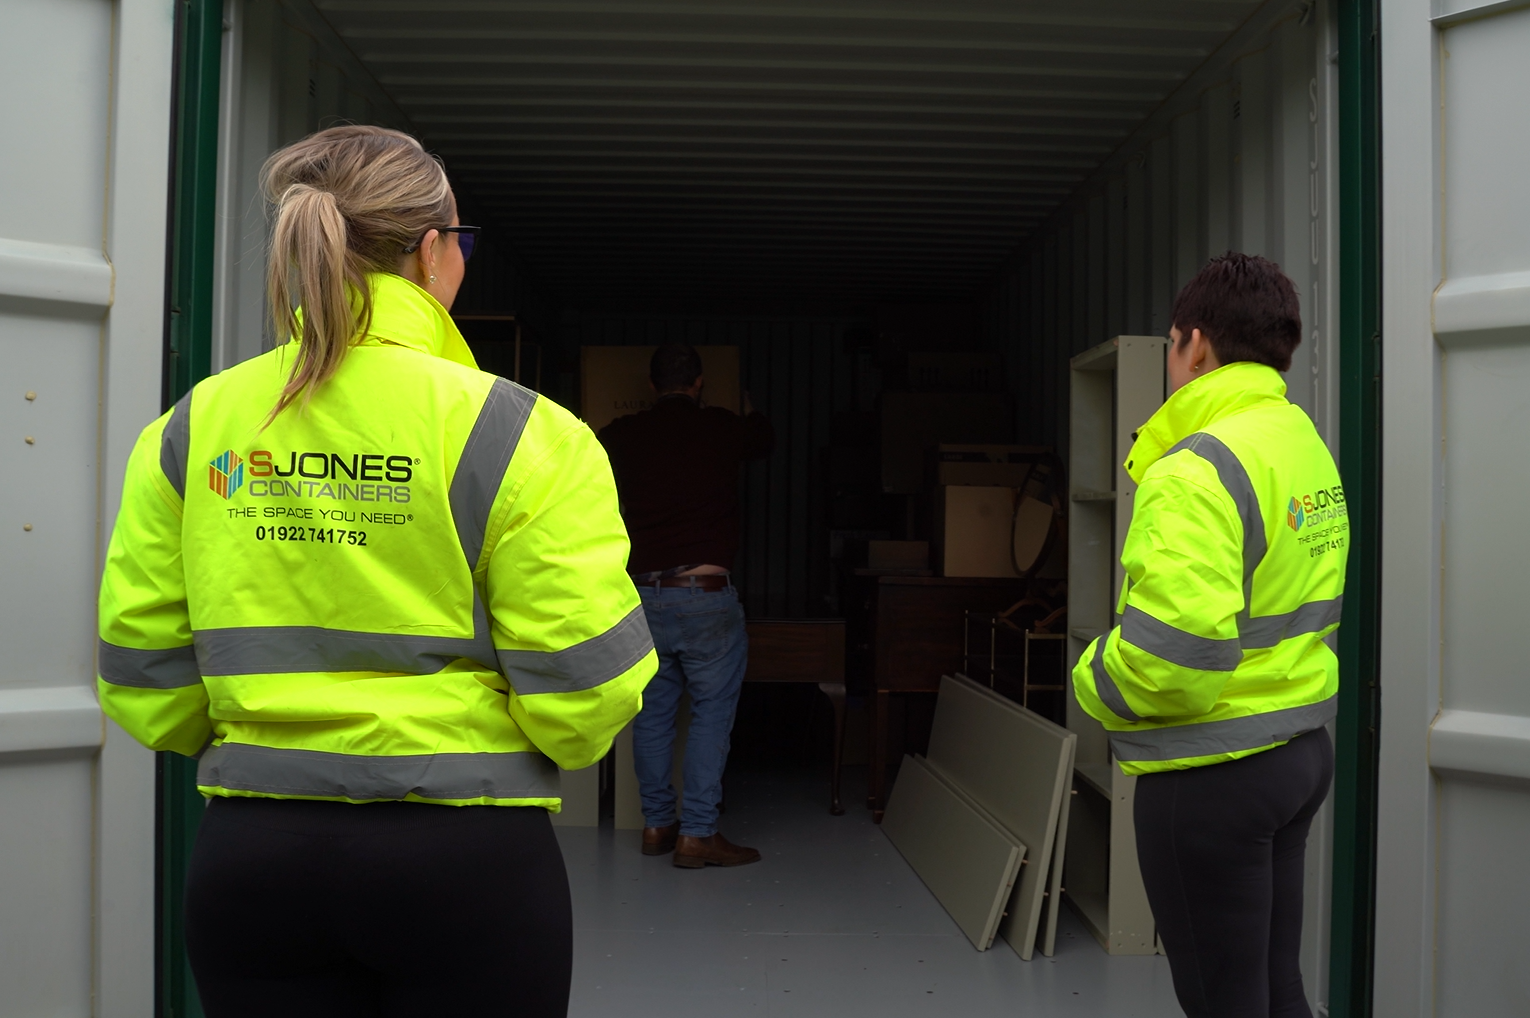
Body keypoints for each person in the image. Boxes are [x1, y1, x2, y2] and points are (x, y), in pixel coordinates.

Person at [96, 125, 656, 1018]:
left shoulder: (196, 426)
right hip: (468, 865)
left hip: (255, 859)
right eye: (461, 243)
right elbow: (586, 689)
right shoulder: (521, 434)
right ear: (432, 254)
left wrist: (267, 742)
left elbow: (141, 666)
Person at [1072, 253, 1346, 1018]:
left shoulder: (1195, 469)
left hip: (1212, 773)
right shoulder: (1297, 440)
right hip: (1297, 751)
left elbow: (1169, 665)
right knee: (1272, 984)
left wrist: (1091, 674)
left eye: (1169, 345)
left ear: (1193, 344)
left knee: (1224, 1001)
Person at [597, 343, 774, 867]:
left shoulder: (623, 435)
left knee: (651, 716)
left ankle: (656, 827)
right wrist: (747, 404)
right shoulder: (722, 427)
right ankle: (697, 834)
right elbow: (765, 438)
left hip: (642, 596)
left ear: (652, 387)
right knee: (710, 717)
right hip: (705, 598)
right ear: (698, 384)